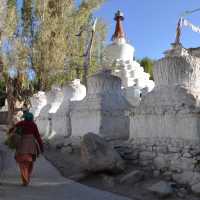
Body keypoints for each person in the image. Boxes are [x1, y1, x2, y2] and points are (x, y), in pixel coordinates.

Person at [9, 111, 44, 186]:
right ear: (31, 118)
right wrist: (41, 147)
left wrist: (10, 133)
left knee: (22, 163)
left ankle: (25, 180)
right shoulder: (33, 125)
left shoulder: (21, 123)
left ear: (25, 118)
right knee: (30, 162)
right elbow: (37, 136)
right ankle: (27, 176)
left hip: (22, 144)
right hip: (31, 145)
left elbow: (12, 129)